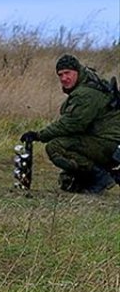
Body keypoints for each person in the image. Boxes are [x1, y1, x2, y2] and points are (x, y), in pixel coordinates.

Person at [20, 54, 120, 194]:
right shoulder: (89, 84)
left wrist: (39, 135)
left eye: (67, 73)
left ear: (77, 72)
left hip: (108, 144)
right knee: (67, 181)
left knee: (55, 147)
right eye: (60, 75)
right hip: (107, 142)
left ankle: (102, 176)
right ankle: (100, 175)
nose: (63, 78)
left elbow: (71, 124)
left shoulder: (86, 93)